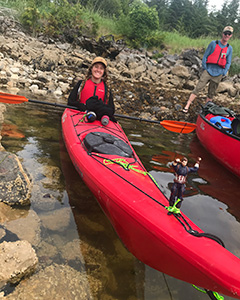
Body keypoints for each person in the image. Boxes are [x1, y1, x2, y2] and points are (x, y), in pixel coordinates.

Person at [183, 26, 233, 113]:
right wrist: (205, 67)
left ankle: (206, 110)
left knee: (211, 93)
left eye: (229, 34)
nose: (227, 35)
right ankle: (187, 104)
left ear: (231, 35)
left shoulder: (229, 48)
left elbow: (228, 62)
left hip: (219, 73)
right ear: (222, 33)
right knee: (198, 87)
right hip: (208, 70)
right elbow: (205, 56)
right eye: (225, 33)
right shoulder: (213, 43)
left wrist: (225, 71)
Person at [68, 56, 116, 121]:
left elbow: (111, 110)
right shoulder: (81, 84)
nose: (98, 70)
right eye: (96, 67)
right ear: (91, 68)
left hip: (98, 119)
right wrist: (83, 107)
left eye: (101, 68)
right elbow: (70, 102)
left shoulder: (106, 89)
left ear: (104, 72)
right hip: (80, 115)